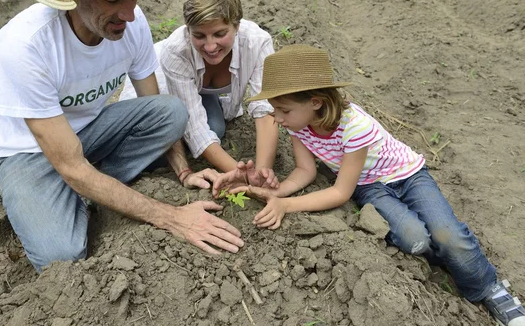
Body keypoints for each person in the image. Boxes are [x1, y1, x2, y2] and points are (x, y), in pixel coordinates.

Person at [0, 0, 244, 272]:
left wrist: (182, 172)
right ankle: (81, 192)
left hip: (88, 133)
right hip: (28, 153)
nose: (129, 13)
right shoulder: (26, 45)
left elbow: (155, 106)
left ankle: (94, 188)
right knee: (61, 255)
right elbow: (70, 165)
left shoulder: (131, 27)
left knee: (171, 112)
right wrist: (171, 217)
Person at [213, 44, 525, 326]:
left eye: (283, 110)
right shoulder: (301, 127)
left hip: (408, 176)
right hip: (369, 186)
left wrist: (286, 205)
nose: (277, 119)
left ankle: (488, 287)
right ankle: (447, 261)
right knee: (416, 240)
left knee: (449, 235)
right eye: (274, 110)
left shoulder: (355, 127)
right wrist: (275, 191)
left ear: (316, 102)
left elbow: (340, 192)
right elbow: (305, 171)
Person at [120, 0, 280, 184]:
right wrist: (242, 176)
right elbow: (195, 128)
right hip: (157, 93)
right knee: (155, 152)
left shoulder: (257, 43)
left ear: (237, 26)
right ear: (188, 30)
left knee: (216, 127)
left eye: (220, 34)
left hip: (201, 94)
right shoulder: (176, 51)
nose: (210, 46)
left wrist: (262, 172)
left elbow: (265, 109)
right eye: (199, 36)